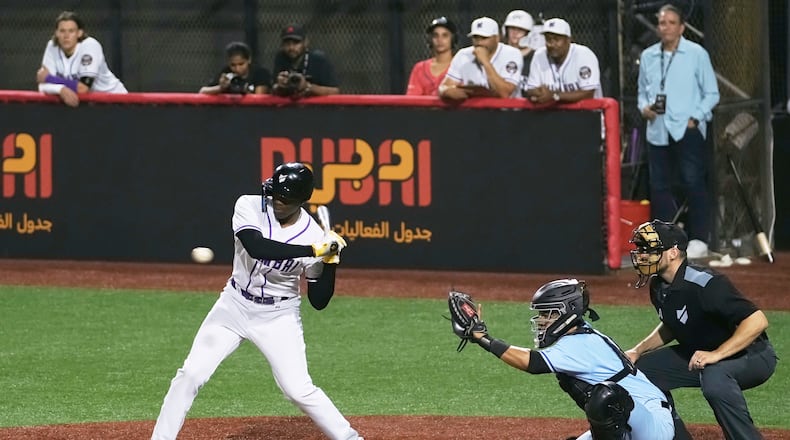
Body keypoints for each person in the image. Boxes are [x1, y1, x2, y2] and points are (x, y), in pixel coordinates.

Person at [151, 163, 364, 440]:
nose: (275, 200)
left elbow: (319, 300)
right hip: (233, 305)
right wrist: (313, 250)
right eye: (273, 192)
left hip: (279, 315)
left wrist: (330, 261)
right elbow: (257, 247)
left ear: (300, 201)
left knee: (297, 389)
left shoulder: (314, 235)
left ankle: (350, 438)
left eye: (283, 198)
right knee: (190, 374)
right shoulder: (249, 206)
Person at [453, 279, 674, 440]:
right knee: (604, 399)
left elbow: (532, 363)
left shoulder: (578, 345)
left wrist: (484, 339)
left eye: (547, 314)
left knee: (605, 397)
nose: (541, 320)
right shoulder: (581, 331)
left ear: (566, 313)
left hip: (649, 424)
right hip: (635, 417)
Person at [626, 219, 777, 440]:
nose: (641, 255)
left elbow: (757, 321)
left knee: (714, 378)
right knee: (640, 374)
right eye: (640, 249)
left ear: (673, 252)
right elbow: (673, 323)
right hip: (701, 354)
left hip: (753, 355)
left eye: (649, 249)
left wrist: (715, 355)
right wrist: (637, 350)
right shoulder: (659, 285)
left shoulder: (705, 283)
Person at [637, 4, 720, 259]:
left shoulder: (696, 54)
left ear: (682, 27)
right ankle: (663, 239)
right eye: (662, 23)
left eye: (671, 23)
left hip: (687, 128)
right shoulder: (649, 56)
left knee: (693, 182)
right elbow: (642, 92)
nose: (666, 27)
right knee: (659, 185)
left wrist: (696, 118)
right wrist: (645, 109)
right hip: (658, 129)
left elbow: (712, 93)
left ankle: (698, 238)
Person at [36, 11, 127, 108]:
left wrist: (50, 78)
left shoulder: (90, 46)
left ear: (79, 33)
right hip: (90, 104)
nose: (66, 36)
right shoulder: (52, 47)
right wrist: (60, 89)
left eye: (71, 31)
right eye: (62, 31)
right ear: (56, 33)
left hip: (115, 100)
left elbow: (83, 88)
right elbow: (42, 85)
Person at [437, 16, 522, 100]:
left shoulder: (512, 54)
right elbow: (444, 86)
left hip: (508, 112)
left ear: (497, 38)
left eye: (484, 38)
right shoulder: (463, 55)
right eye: (476, 38)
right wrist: (446, 91)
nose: (479, 42)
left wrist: (485, 62)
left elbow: (504, 93)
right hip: (475, 112)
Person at [525, 18, 601, 105]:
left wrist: (555, 96)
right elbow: (530, 89)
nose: (552, 44)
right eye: (548, 39)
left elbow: (588, 93)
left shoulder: (584, 55)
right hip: (554, 116)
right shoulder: (539, 55)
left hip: (589, 115)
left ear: (568, 40)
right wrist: (539, 93)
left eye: (556, 39)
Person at [272, 24, 339, 98]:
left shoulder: (318, 59)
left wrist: (307, 86)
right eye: (287, 44)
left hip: (315, 107)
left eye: (296, 43)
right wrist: (279, 86)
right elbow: (273, 89)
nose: (291, 48)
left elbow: (335, 91)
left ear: (305, 42)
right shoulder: (281, 57)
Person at [405, 16, 457, 96]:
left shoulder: (460, 66)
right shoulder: (419, 68)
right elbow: (412, 100)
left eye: (445, 35)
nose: (440, 39)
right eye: (436, 35)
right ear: (430, 40)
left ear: (453, 39)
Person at [198, 41, 272, 95]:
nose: (237, 69)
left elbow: (259, 99)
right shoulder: (227, 72)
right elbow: (202, 91)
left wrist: (245, 92)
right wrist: (221, 87)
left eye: (241, 64)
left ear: (249, 60)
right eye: (233, 65)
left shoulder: (260, 73)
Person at [501, 9, 539, 96]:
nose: (515, 33)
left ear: (529, 33)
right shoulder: (500, 54)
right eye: (512, 28)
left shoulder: (536, 57)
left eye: (520, 29)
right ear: (506, 30)